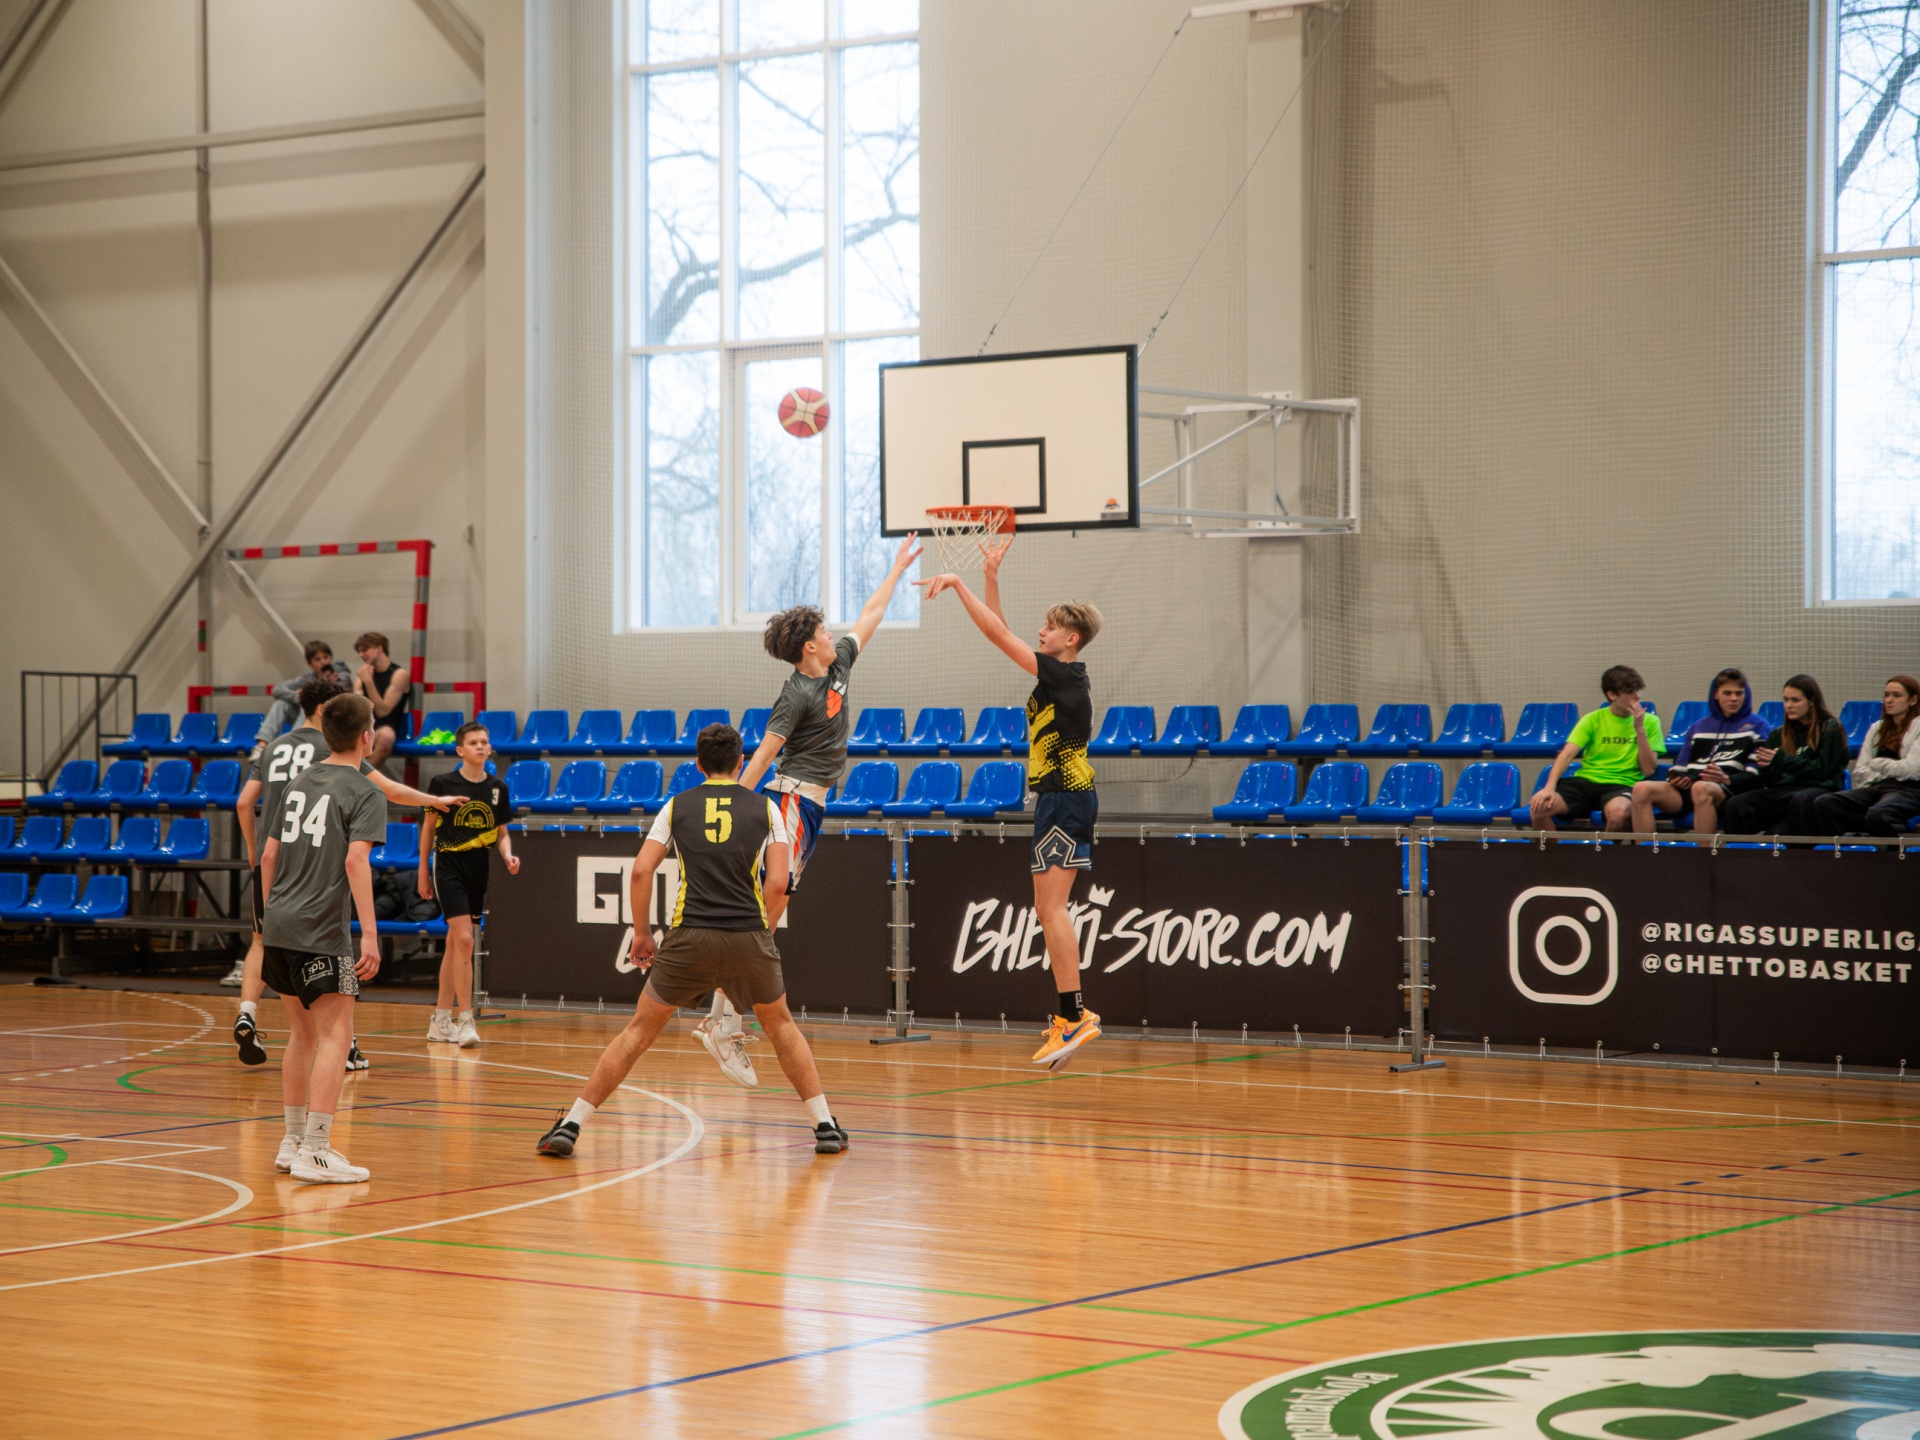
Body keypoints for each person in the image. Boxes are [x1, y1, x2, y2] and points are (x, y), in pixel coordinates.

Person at [536, 724, 848, 1159]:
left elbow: (641, 870)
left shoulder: (677, 805)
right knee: (781, 1027)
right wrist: (758, 927)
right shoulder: (765, 808)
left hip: (689, 937)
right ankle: (824, 1127)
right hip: (747, 936)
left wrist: (642, 933)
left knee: (638, 1032)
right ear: (741, 762)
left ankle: (571, 1125)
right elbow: (779, 881)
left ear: (698, 764)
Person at [682, 533, 920, 1087]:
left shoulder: (839, 666)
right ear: (810, 646)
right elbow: (765, 752)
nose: (834, 634)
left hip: (810, 808)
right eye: (825, 632)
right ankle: (722, 1021)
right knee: (768, 907)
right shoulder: (794, 694)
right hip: (788, 798)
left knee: (765, 918)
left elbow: (872, 613)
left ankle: (721, 1019)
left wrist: (896, 568)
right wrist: (730, 799)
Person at [918, 541, 1104, 1070]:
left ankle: (1074, 1017)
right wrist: (990, 576)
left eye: (1050, 628)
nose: (1040, 632)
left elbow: (998, 636)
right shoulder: (1059, 675)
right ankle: (1072, 1016)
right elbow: (1003, 631)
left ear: (1070, 639)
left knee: (1052, 910)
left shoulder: (1064, 676)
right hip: (1060, 799)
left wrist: (959, 584)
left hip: (1065, 798)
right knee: (1048, 910)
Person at [229, 675, 451, 1070]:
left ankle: (247, 1010)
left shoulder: (274, 748)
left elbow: (245, 804)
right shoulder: (332, 753)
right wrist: (434, 800)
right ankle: (344, 1047)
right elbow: (385, 797)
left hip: (275, 869)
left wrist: (253, 849)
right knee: (331, 998)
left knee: (263, 946)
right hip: (318, 870)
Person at [260, 693, 389, 1183]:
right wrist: (370, 935)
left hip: (279, 925)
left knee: (301, 1035)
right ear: (366, 736)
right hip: (320, 930)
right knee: (337, 1036)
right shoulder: (365, 791)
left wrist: (273, 914)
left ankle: (292, 1140)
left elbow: (268, 857)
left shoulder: (298, 781)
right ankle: (315, 1150)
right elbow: (356, 861)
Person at [420, 721, 519, 1046]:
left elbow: (502, 834)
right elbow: (428, 829)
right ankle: (466, 1020)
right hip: (448, 865)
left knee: (455, 944)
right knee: (465, 940)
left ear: (490, 748)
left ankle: (440, 1020)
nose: (480, 746)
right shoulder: (442, 783)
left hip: (479, 867)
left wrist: (508, 855)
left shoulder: (498, 788)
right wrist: (423, 871)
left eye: (484, 742)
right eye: (473, 742)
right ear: (460, 750)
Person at [1628, 667, 1766, 834]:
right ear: (1716, 694)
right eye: (1727, 693)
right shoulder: (1698, 727)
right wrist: (1676, 779)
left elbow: (1757, 777)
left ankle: (1706, 851)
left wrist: (1726, 778)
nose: (1733, 698)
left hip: (1729, 790)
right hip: (1690, 788)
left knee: (1700, 788)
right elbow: (1679, 768)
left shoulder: (1758, 726)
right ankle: (1646, 849)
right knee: (1641, 789)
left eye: (1739, 693)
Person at [1528, 665, 1666, 831]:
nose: (1637, 696)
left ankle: (1603, 848)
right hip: (1585, 782)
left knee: (1618, 815)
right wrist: (1549, 787)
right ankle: (1552, 849)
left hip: (1623, 784)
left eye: (1638, 690)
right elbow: (1566, 755)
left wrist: (1639, 729)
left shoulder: (1651, 722)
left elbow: (1648, 770)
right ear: (1612, 695)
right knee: (1538, 809)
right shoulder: (1592, 719)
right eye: (1630, 691)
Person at [1721, 674, 1849, 834]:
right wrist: (1766, 767)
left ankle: (1801, 848)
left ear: (1811, 702)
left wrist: (1781, 759)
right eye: (1786, 700)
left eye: (1795, 700)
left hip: (1819, 789)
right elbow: (1771, 781)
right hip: (1783, 791)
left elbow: (1822, 770)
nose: (1788, 705)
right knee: (1736, 804)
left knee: (1799, 801)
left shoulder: (1829, 728)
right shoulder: (1778, 734)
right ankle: (1736, 849)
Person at [1803, 674, 1920, 836]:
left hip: (1911, 791)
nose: (1889, 700)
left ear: (1913, 700)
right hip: (1877, 787)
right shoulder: (1877, 728)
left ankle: (1893, 848)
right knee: (1824, 803)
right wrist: (1890, 771)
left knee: (1878, 815)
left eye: (1896, 695)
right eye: (1886, 695)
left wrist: (1877, 764)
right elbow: (1860, 772)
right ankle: (1842, 847)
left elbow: (1912, 770)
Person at [257, 640, 353, 747]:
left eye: (326, 657)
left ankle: (295, 745)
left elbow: (340, 698)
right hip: (309, 721)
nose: (323, 662)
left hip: (334, 720)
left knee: (310, 704)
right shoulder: (308, 677)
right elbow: (277, 690)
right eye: (317, 660)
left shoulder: (341, 674)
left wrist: (311, 693)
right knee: (282, 703)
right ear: (310, 664)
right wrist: (300, 697)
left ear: (331, 658)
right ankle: (262, 745)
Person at [353, 632, 411, 771]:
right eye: (359, 651)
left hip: (385, 726)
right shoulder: (362, 676)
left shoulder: (399, 674)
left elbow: (383, 711)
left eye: (365, 650)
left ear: (379, 648)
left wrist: (369, 682)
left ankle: (364, 775)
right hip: (363, 725)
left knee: (386, 736)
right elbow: (357, 707)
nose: (361, 655)